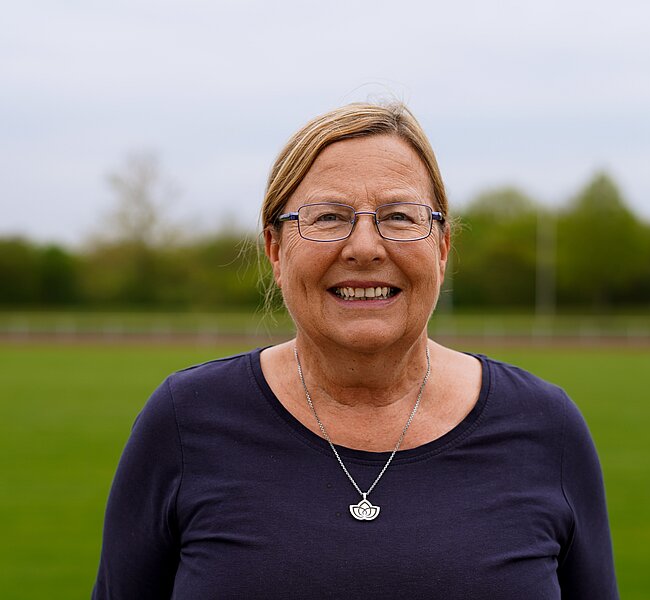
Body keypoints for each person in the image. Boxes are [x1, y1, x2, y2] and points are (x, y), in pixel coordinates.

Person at [92, 102, 619, 599]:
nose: (365, 248)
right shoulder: (185, 420)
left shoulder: (545, 425)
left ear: (442, 248)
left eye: (399, 216)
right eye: (327, 217)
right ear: (275, 250)